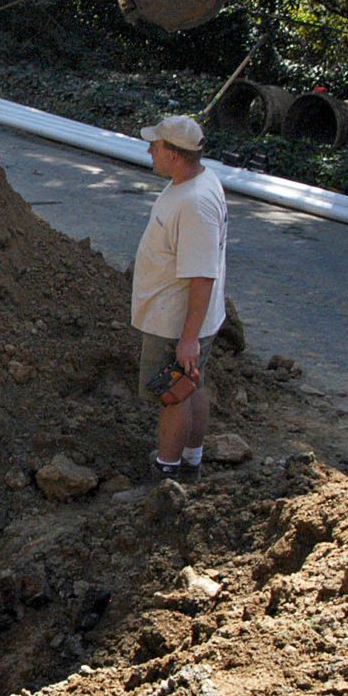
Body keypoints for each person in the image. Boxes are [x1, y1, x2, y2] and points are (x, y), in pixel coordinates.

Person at [130, 113, 229, 481]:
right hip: (183, 316)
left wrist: (188, 338)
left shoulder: (195, 204)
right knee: (192, 384)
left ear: (173, 154)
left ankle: (166, 471)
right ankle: (190, 458)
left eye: (154, 146)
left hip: (176, 320)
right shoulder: (193, 181)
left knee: (174, 394)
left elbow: (202, 275)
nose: (149, 150)